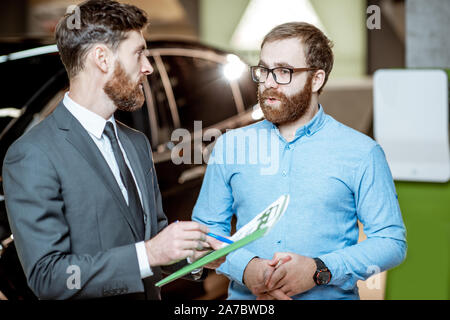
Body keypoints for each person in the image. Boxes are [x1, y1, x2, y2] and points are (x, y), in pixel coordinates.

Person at [2, 0, 222, 300]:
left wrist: (194, 254)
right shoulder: (32, 155)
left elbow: (154, 242)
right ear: (102, 59)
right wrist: (148, 253)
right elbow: (49, 278)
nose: (148, 67)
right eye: (138, 53)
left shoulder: (136, 143)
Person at [192, 22, 407, 300]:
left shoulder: (362, 152)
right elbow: (203, 236)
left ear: (316, 79)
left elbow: (390, 242)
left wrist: (319, 270)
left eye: (283, 71)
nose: (268, 82)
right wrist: (246, 269)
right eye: (264, 70)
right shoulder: (230, 146)